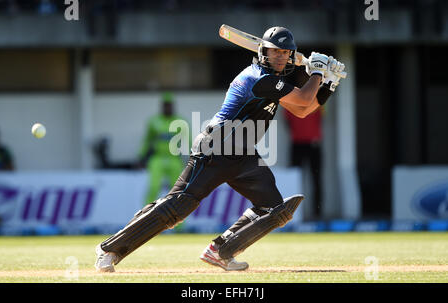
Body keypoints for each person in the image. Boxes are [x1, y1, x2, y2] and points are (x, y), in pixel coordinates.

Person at [95, 26, 345, 272]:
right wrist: (318, 74)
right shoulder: (259, 79)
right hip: (215, 148)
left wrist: (328, 84)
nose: (280, 56)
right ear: (263, 52)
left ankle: (221, 251)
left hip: (244, 154)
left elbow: (303, 110)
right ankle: (110, 250)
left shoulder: (274, 82)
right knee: (178, 208)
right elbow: (303, 99)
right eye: (275, 51)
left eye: (285, 52)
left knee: (272, 209)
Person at [138, 92, 187, 205]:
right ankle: (146, 217)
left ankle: (179, 222)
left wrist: (189, 159)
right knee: (153, 187)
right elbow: (147, 141)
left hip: (175, 159)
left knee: (178, 191)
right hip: (157, 159)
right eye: (165, 105)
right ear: (162, 106)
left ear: (173, 106)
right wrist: (141, 157)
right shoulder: (154, 121)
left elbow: (186, 142)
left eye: (169, 105)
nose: (167, 107)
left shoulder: (181, 121)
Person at [284, 106, 323, 219]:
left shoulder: (317, 101)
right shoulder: (290, 100)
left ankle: (317, 212)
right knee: (294, 178)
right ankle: (292, 212)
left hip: (313, 143)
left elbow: (320, 118)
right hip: (297, 143)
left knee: (316, 177)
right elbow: (287, 121)